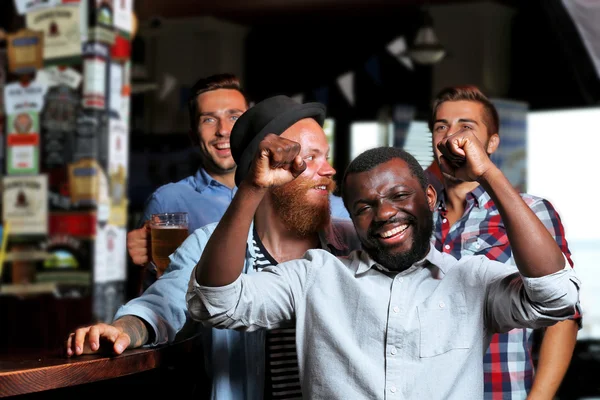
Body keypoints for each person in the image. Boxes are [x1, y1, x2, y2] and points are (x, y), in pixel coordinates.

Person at [187, 130, 580, 398]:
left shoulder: (471, 278)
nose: (385, 214)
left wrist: (489, 175)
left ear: (429, 196)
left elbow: (556, 297)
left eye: (399, 196)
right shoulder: (315, 275)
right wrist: (253, 187)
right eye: (365, 207)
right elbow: (216, 302)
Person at [65, 95, 361, 400]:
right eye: (310, 157)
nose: (329, 170)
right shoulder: (208, 244)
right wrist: (123, 331)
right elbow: (161, 308)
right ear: (264, 168)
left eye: (325, 156)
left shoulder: (351, 242)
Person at [428, 85, 579, 399]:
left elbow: (563, 316)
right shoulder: (415, 219)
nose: (451, 136)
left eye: (466, 126)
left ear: (491, 142)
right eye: (441, 126)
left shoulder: (529, 211)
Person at [126, 74, 350, 283]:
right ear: (193, 136)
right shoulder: (168, 199)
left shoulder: (325, 204)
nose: (223, 130)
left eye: (234, 117)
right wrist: (141, 261)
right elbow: (157, 297)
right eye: (209, 120)